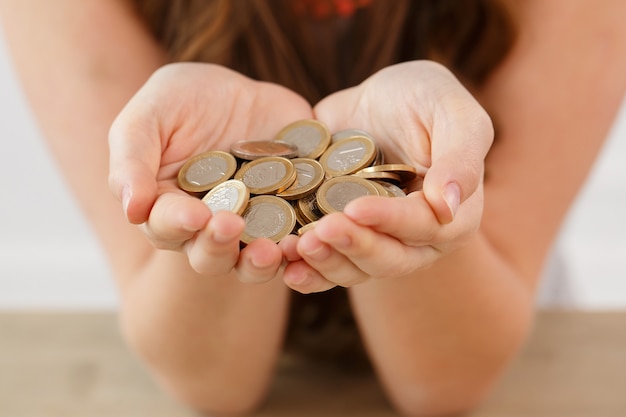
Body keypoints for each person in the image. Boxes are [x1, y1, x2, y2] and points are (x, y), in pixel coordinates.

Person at [0, 0, 624, 415]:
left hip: (497, 327)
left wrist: (419, 194)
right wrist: (218, 202)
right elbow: (209, 385)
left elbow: (448, 383)